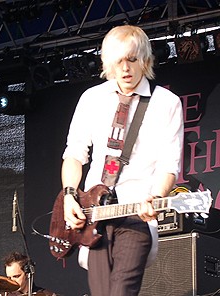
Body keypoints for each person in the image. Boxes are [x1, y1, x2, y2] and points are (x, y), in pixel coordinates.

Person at [61, 25, 183, 296]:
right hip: (94, 214)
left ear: (146, 60)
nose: (126, 68)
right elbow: (74, 153)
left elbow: (168, 163)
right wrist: (70, 195)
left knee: (121, 292)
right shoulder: (92, 98)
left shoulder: (167, 103)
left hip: (135, 215)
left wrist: (157, 196)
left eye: (132, 59)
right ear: (108, 63)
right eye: (118, 61)